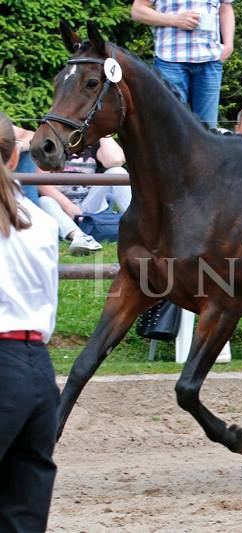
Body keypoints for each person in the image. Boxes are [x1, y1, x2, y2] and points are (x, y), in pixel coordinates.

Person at [0, 111, 60, 532]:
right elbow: (49, 306)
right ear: (15, 155)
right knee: (23, 513)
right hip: (38, 368)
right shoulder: (43, 222)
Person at [131, 0, 235, 128]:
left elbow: (225, 7)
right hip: (170, 61)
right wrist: (174, 20)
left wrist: (229, 44)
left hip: (210, 60)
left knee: (208, 130)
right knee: (171, 126)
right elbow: (137, 11)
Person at [37, 136, 130, 255]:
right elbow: (41, 183)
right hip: (60, 209)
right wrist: (68, 206)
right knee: (44, 201)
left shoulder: (90, 142)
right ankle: (79, 237)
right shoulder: (49, 142)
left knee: (117, 172)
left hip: (88, 206)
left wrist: (103, 133)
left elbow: (115, 160)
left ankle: (140, 227)